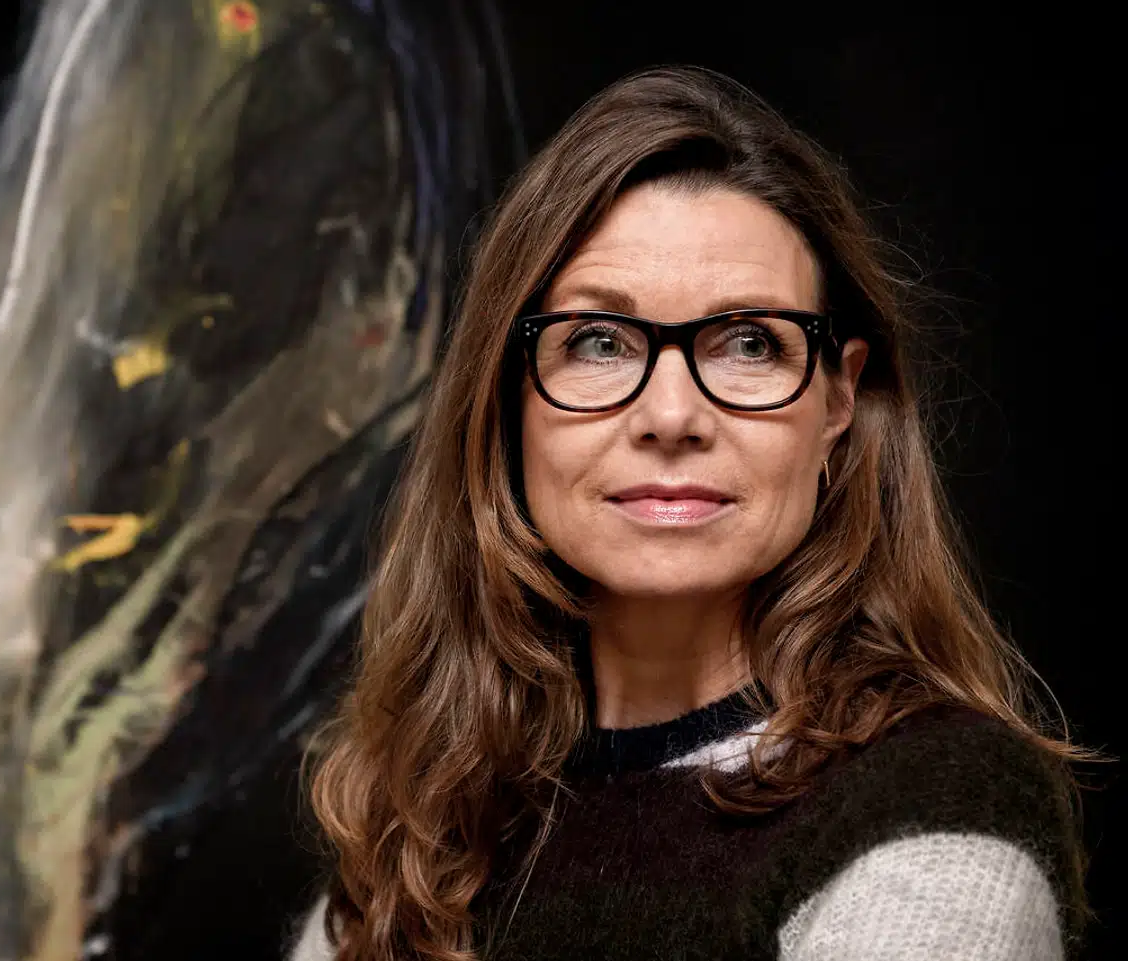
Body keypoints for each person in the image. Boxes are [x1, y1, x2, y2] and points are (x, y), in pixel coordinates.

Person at [289, 66, 1088, 961]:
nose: (671, 416)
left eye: (749, 342)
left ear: (838, 400)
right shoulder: (424, 815)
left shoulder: (936, 805)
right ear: (507, 398)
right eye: (599, 340)